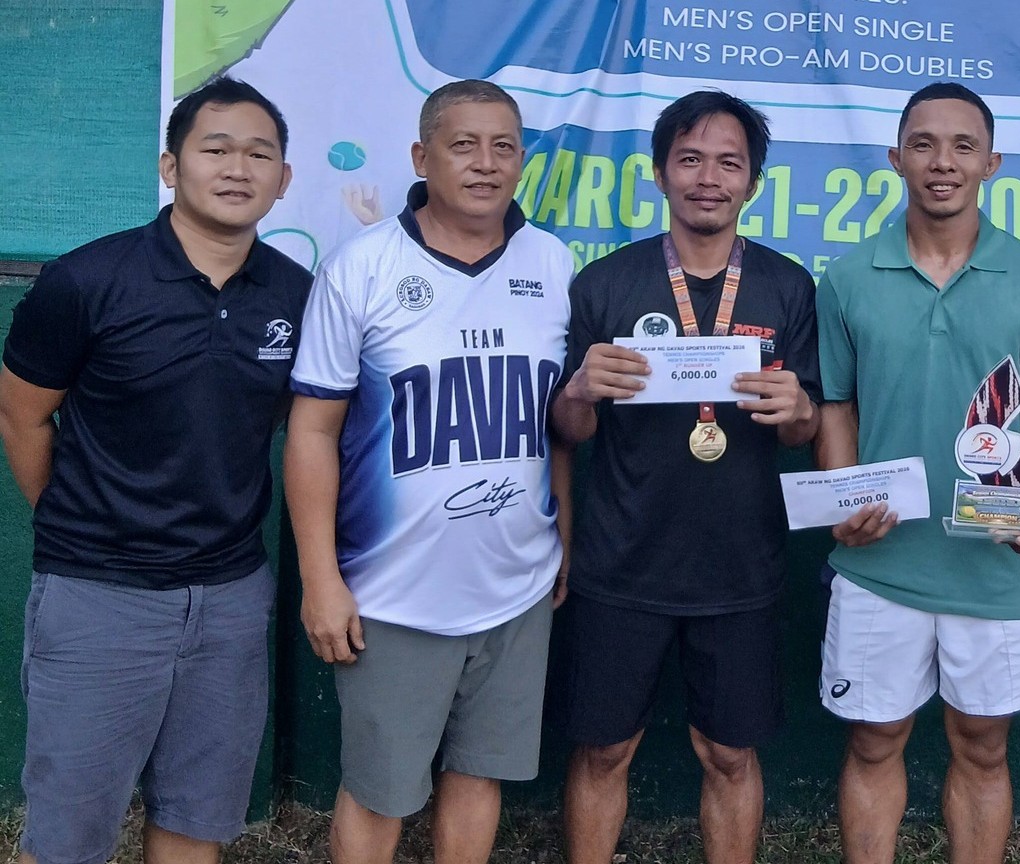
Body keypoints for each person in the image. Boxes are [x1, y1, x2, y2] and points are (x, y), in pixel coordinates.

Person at [0, 77, 309, 864]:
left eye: (259, 154)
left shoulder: (297, 293)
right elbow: (23, 416)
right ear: (171, 166)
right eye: (216, 149)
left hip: (231, 599)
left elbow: (274, 419)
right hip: (99, 597)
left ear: (283, 178)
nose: (237, 168)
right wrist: (78, 524)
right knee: (68, 841)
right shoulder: (86, 281)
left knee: (198, 822)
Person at [283, 79, 574, 864]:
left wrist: (564, 539)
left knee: (480, 775)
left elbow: (559, 428)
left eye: (504, 147)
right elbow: (312, 430)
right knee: (379, 793)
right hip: (392, 592)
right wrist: (320, 579)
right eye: (463, 145)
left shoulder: (552, 263)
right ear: (421, 157)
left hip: (516, 587)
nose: (486, 163)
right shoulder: (362, 266)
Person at [551, 90, 821, 864]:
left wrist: (799, 407)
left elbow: (804, 431)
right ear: (659, 172)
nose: (709, 178)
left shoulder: (787, 286)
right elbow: (568, 431)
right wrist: (578, 391)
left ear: (754, 181)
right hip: (621, 564)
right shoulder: (604, 284)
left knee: (728, 754)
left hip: (740, 567)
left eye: (729, 163)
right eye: (690, 159)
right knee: (605, 751)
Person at [814, 82, 1020, 864]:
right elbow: (837, 406)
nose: (943, 162)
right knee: (874, 740)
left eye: (964, 146)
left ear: (992, 163)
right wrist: (843, 503)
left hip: (992, 561)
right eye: (923, 144)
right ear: (895, 158)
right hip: (879, 563)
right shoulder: (849, 277)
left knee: (983, 746)